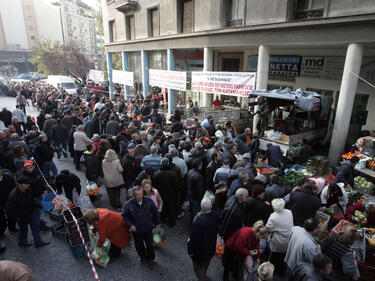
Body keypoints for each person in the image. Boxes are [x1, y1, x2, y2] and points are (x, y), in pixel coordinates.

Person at [122, 186, 161, 270]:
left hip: (148, 227)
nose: (139, 196)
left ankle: (151, 259)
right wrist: (130, 225)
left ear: (143, 193)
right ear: (133, 195)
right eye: (137, 195)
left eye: (141, 194)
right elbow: (125, 216)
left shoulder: (148, 201)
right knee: (139, 245)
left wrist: (158, 223)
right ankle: (143, 257)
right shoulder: (128, 204)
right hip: (136, 229)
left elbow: (155, 212)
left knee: (150, 245)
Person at [5, 176, 50, 248]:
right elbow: (9, 209)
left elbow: (32, 197)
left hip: (32, 211)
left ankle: (38, 242)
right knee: (23, 230)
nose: (27, 185)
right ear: (20, 184)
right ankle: (22, 241)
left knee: (36, 226)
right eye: (25, 184)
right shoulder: (13, 195)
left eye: (28, 183)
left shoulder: (28, 189)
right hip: (22, 216)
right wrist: (16, 218)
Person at [188, 198, 220, 281]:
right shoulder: (216, 215)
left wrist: (190, 251)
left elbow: (193, 240)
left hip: (200, 252)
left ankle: (202, 278)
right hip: (211, 248)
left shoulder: (198, 221)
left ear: (201, 207)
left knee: (198, 268)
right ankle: (204, 274)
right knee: (206, 265)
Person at [266, 198, 293, 277]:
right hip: (288, 240)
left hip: (278, 242)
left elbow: (268, 228)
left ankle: (272, 271)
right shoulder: (289, 212)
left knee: (274, 257)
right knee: (283, 257)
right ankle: (281, 271)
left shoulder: (273, 217)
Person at [153, 158, 179, 227]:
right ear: (168, 164)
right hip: (172, 194)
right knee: (171, 208)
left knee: (163, 206)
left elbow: (155, 185)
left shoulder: (157, 173)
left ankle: (163, 219)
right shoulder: (173, 173)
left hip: (161, 194)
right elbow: (177, 185)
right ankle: (171, 222)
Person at [186, 158, 206, 223]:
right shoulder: (199, 176)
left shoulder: (190, 171)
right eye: (201, 164)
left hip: (190, 195)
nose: (202, 165)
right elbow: (200, 190)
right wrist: (201, 199)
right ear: (199, 165)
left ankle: (191, 225)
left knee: (191, 212)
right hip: (195, 198)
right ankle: (195, 228)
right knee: (197, 214)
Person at [0, 168, 18, 239]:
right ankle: (1, 231)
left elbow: (14, 187)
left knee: (12, 215)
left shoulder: (7, 177)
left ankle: (12, 227)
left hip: (9, 200)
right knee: (1, 218)